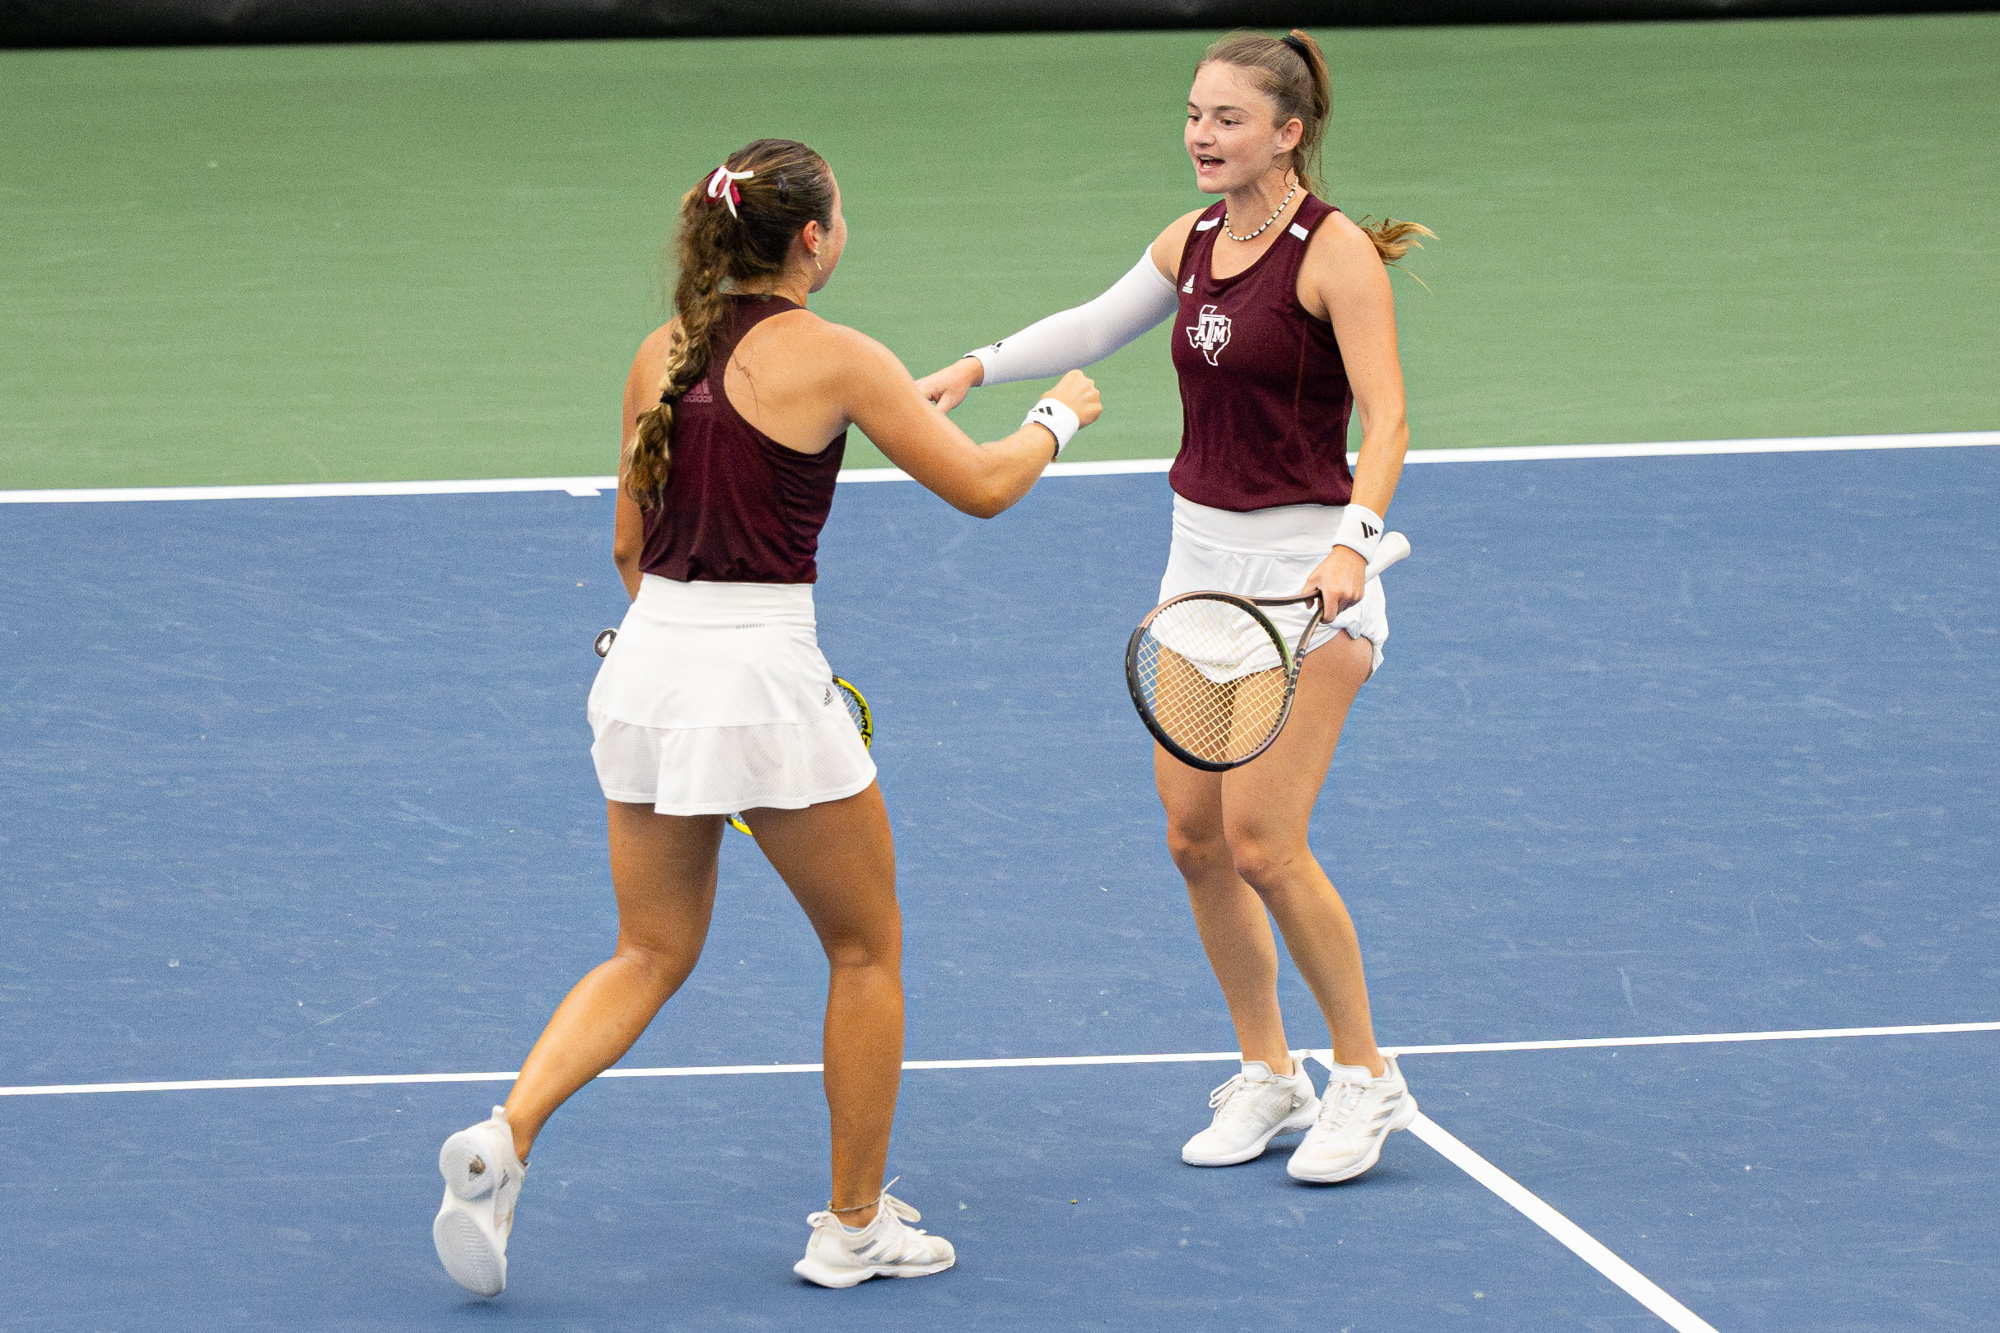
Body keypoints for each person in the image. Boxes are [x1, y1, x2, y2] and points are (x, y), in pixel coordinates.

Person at [430, 137, 1102, 1297]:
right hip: (759, 677)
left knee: (646, 948)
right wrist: (1060, 412)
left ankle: (508, 1134)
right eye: (840, 214)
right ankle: (850, 1226)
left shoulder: (661, 351)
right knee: (864, 946)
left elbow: (631, 552)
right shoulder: (838, 357)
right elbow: (986, 485)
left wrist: (689, 668)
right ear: (811, 239)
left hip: (646, 669)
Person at [917, 30, 1430, 1184]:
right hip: (1195, 578)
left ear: (1287, 132)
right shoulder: (1191, 238)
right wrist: (974, 365)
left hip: (1305, 584)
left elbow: (1387, 420)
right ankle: (1268, 1073)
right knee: (1195, 841)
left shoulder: (1332, 254)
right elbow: (1096, 325)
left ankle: (1366, 1077)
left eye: (1228, 119)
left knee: (1264, 840)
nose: (1201, 135)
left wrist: (1352, 542)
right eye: (1194, 114)